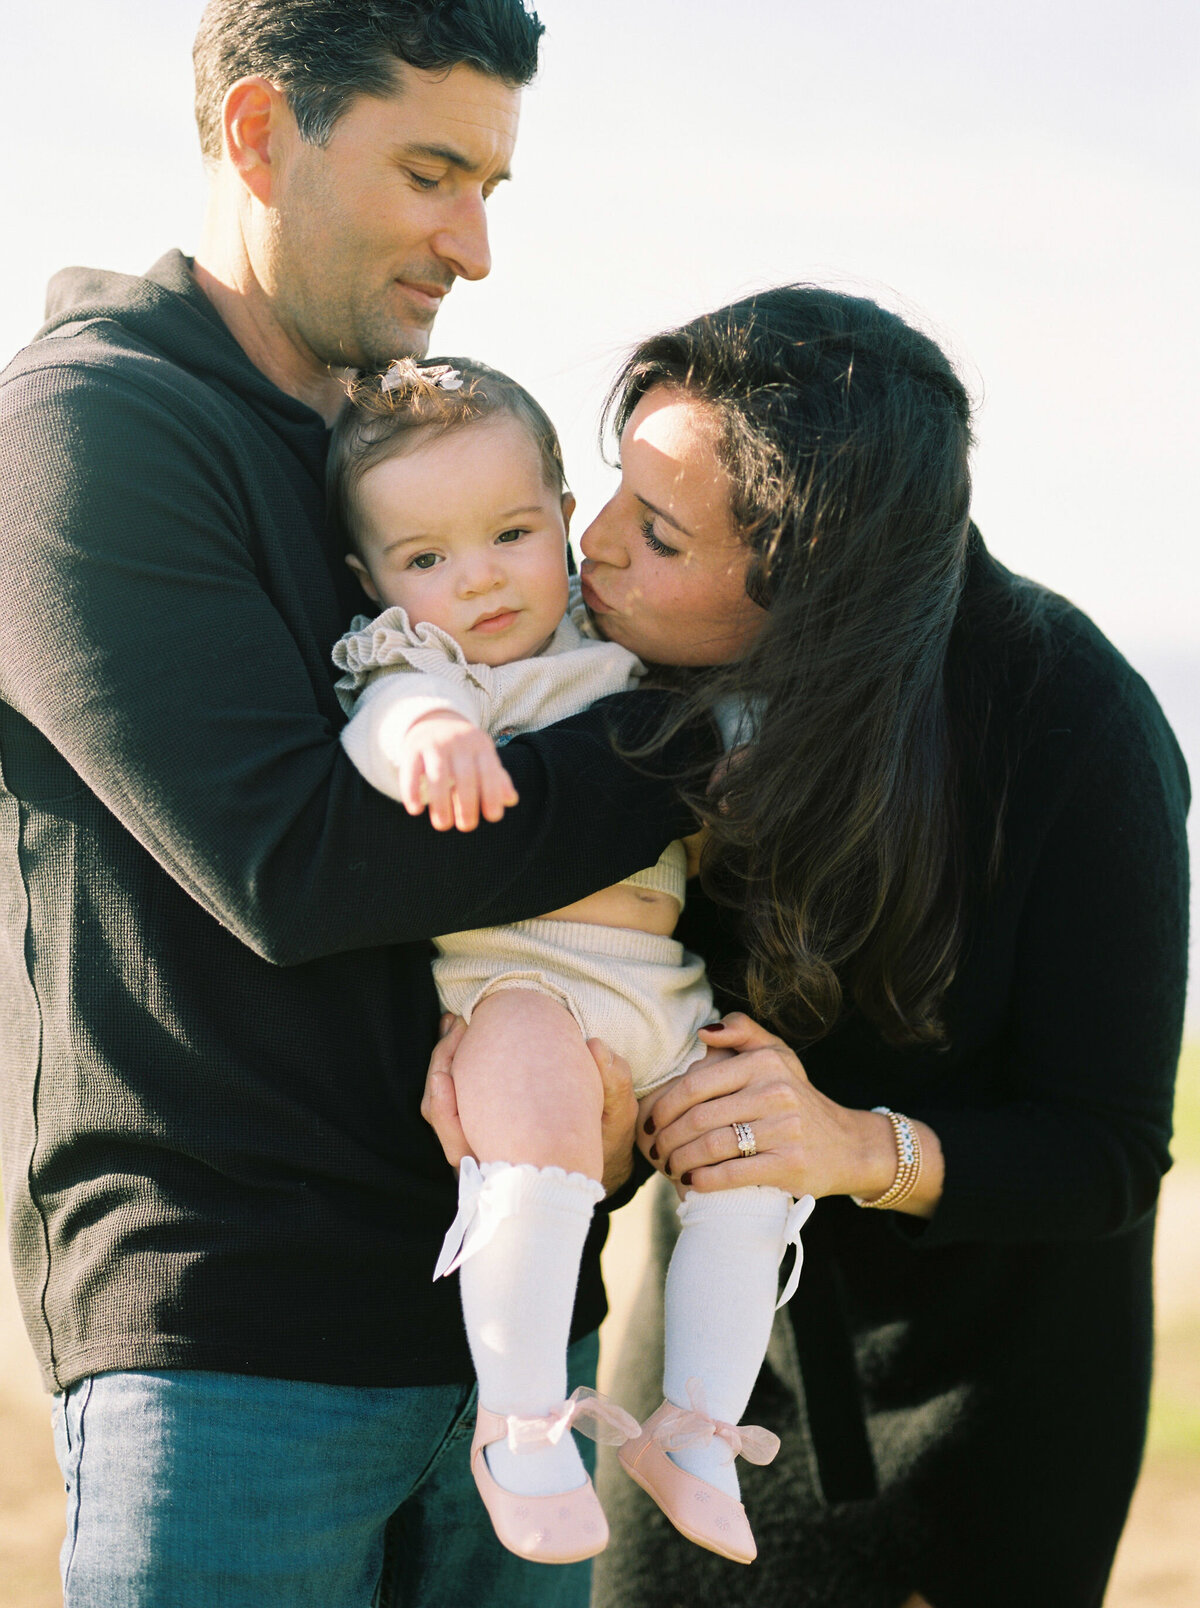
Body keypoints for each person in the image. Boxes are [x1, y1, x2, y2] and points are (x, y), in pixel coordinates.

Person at [0, 5, 705, 1606]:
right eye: (431, 173)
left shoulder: (412, 452)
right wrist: (700, 749)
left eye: (492, 187)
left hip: (525, 1340)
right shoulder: (83, 436)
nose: (471, 243)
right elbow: (297, 866)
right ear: (260, 135)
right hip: (242, 1356)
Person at [423, 285, 1190, 1608]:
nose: (586, 544)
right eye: (611, 490)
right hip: (713, 1380)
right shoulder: (604, 676)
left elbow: (1107, 1153)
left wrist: (846, 1145)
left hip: (1001, 1387)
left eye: (657, 535)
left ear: (815, 594)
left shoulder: (1076, 725)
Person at [325, 354, 816, 1567]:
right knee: (536, 1140)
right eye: (425, 560)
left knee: (746, 1158)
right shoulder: (433, 664)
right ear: (373, 580)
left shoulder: (617, 634)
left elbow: (730, 727)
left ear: (562, 512)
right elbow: (380, 713)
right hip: (521, 990)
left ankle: (698, 1428)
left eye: (509, 532)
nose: (478, 578)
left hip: (665, 1000)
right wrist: (429, 733)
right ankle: (522, 1418)